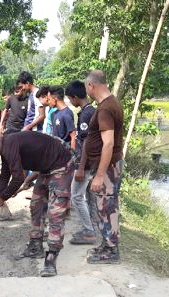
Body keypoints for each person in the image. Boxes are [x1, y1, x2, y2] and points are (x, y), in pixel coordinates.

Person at [0, 131, 74, 277]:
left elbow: (17, 178)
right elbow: (4, 176)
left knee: (55, 213)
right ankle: (35, 247)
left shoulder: (10, 144)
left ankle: (51, 258)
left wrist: (3, 197)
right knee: (36, 206)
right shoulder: (5, 148)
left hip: (61, 165)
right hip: (46, 169)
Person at [77, 70, 124, 264]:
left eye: (87, 87)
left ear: (91, 86)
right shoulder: (108, 104)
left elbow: (108, 144)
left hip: (109, 167)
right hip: (109, 165)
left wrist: (99, 175)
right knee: (104, 205)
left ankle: (111, 250)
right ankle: (106, 243)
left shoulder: (105, 109)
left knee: (107, 206)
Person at [65, 80, 98, 245]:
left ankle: (89, 231)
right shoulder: (91, 111)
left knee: (76, 196)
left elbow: (86, 142)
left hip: (86, 163)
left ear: (75, 97)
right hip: (90, 162)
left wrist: (81, 167)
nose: (70, 102)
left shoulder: (86, 114)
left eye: (70, 99)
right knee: (85, 195)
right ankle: (91, 227)